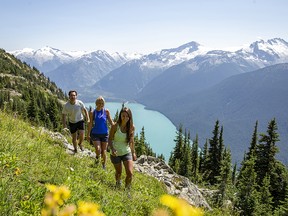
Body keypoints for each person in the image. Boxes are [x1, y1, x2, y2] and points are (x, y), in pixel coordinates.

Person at [108, 106, 137, 190]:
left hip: (126, 152)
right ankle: (118, 183)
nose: (125, 118)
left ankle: (127, 190)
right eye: (123, 115)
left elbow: (131, 141)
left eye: (127, 116)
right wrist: (112, 149)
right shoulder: (115, 126)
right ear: (120, 116)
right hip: (115, 153)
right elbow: (110, 139)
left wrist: (133, 152)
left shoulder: (131, 127)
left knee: (130, 173)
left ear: (130, 117)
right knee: (119, 172)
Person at [87, 96, 114, 169]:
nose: (100, 104)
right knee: (98, 150)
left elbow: (111, 122)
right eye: (99, 103)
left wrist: (116, 127)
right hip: (95, 134)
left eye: (102, 103)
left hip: (105, 134)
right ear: (96, 103)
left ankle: (103, 166)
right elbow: (90, 124)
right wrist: (88, 134)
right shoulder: (93, 112)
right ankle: (97, 156)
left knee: (104, 151)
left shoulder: (106, 111)